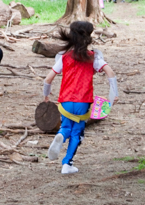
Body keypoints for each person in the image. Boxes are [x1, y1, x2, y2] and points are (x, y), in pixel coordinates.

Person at [42, 21, 119, 174]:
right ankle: (67, 164)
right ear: (89, 36)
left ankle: (61, 135)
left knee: (66, 127)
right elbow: (110, 73)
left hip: (65, 100)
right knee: (77, 133)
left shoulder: (64, 58)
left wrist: (46, 95)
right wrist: (113, 94)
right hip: (83, 101)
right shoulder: (93, 57)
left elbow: (47, 79)